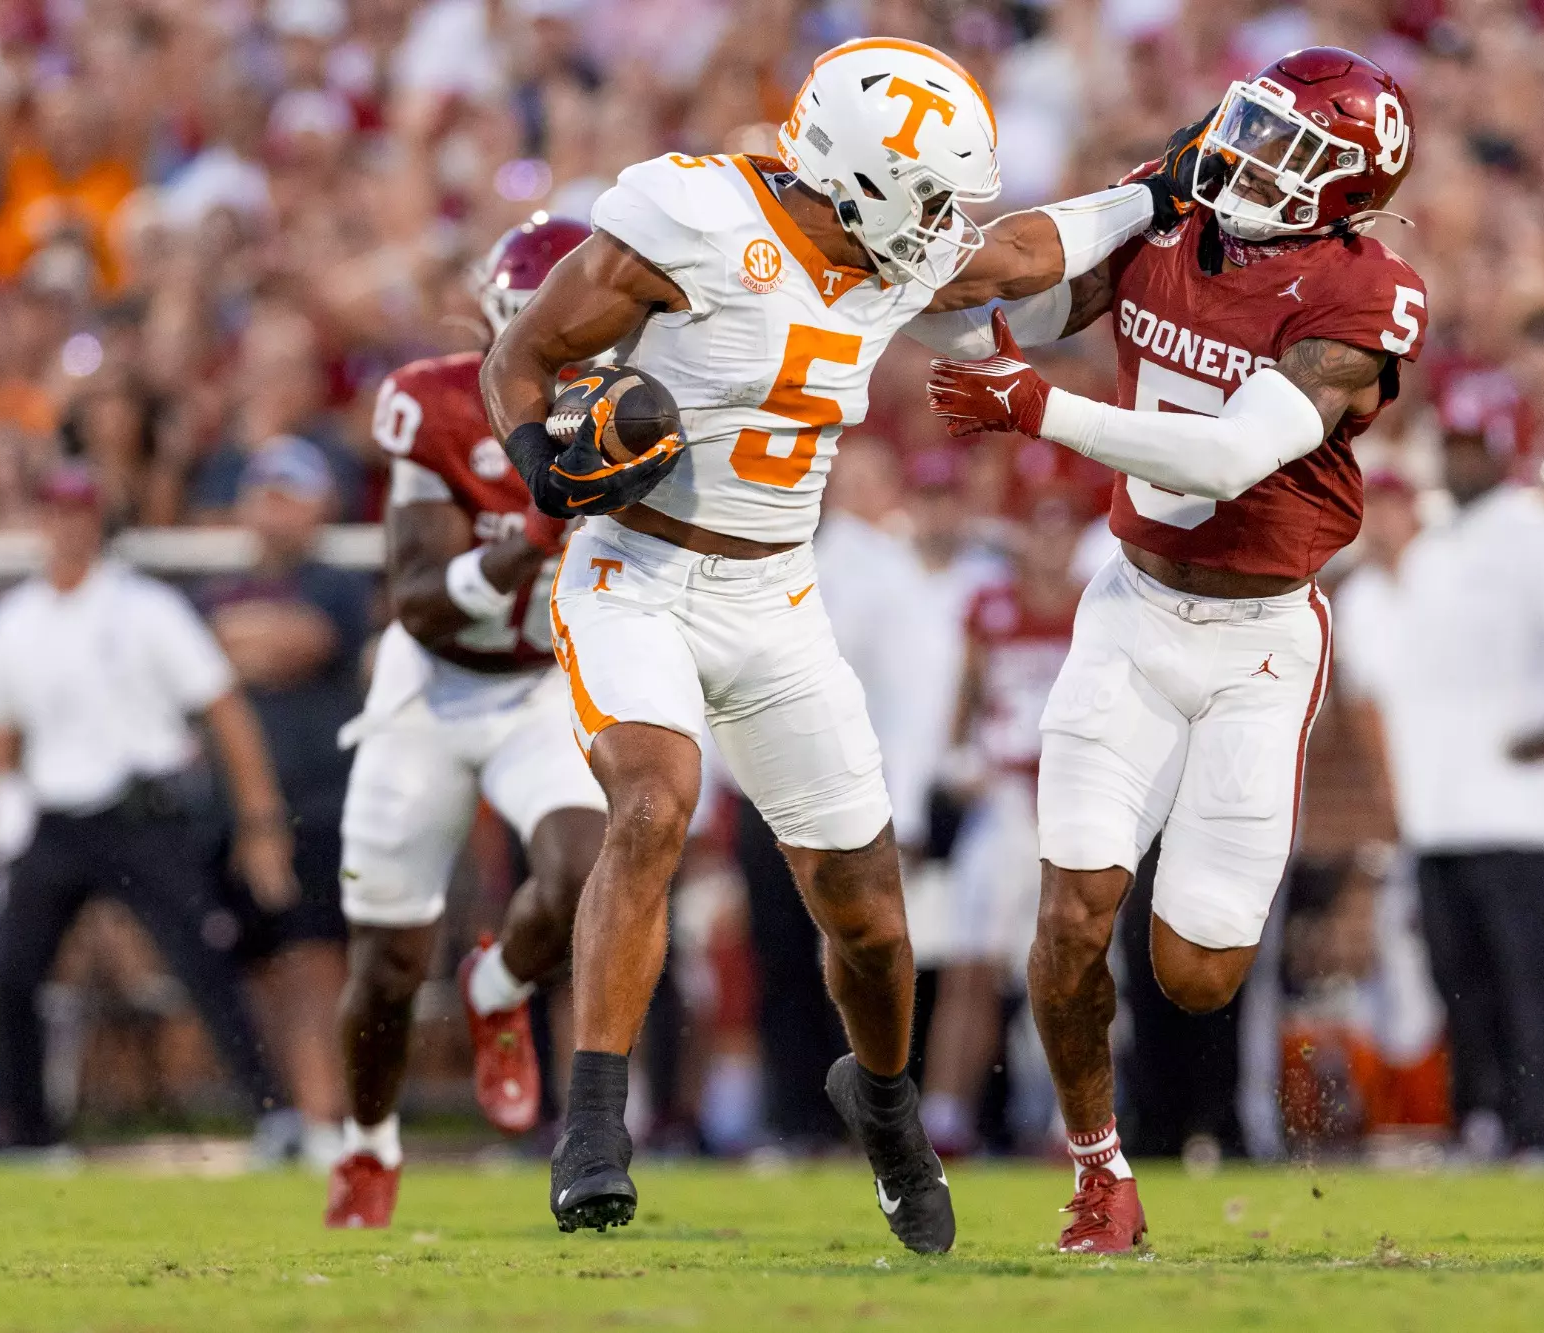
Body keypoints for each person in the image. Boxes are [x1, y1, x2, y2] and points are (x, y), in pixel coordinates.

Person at [482, 36, 1167, 1248]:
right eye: (929, 197)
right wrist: (540, 458)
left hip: (775, 599)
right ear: (855, 174)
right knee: (653, 801)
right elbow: (522, 353)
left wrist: (1158, 190)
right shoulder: (693, 218)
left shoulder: (888, 251)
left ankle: (885, 1106)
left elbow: (1019, 251)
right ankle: (591, 1125)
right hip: (635, 573)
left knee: (871, 922)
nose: (945, 225)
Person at [928, 48, 1429, 1251]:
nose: (1248, 157)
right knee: (1069, 912)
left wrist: (1037, 408)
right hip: (1131, 610)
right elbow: (1011, 296)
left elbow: (1223, 458)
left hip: (1259, 642)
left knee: (1197, 970)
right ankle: (1099, 1173)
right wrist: (1124, 204)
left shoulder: (1362, 293)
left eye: (1289, 147)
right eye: (1249, 126)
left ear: (1346, 185)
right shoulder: (1172, 219)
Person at [324, 216, 609, 1229]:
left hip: (543, 682)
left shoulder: (629, 406)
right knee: (388, 963)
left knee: (585, 870)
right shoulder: (435, 404)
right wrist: (530, 537)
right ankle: (367, 1142)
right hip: (432, 686)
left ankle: (498, 984)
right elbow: (417, 601)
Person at [1358, 417, 1544, 1162]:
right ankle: (1484, 1122)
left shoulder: (1531, 536)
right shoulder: (1431, 553)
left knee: (1535, 986)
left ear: (1497, 455)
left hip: (1520, 814)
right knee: (1461, 986)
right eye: (1448, 449)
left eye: (1471, 449)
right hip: (1438, 816)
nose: (1458, 463)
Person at [0, 464, 296, 1150]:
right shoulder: (14, 621)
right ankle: (24, 1127)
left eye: (80, 513)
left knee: (204, 960)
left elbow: (223, 708)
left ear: (98, 521)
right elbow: (0, 736)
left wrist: (260, 818)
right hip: (55, 816)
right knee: (8, 971)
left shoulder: (145, 607)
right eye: (58, 513)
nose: (69, 527)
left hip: (141, 814)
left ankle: (274, 1111)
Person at [198, 437, 374, 1167]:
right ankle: (290, 1116)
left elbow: (303, 643)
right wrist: (245, 642)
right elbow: (206, 660)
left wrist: (241, 642)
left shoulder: (338, 583)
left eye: (289, 494)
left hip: (319, 800)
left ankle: (326, 1116)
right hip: (232, 806)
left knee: (315, 957)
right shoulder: (213, 588)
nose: (274, 509)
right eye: (264, 492)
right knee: (259, 960)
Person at [922, 492, 1084, 1156]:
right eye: (1039, 530)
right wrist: (960, 764)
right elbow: (961, 708)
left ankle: (1072, 1123)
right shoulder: (990, 607)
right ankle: (944, 1116)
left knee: (1073, 969)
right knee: (971, 965)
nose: (1049, 545)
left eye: (1061, 530)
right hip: (1006, 803)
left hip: (1073, 806)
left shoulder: (1097, 608)